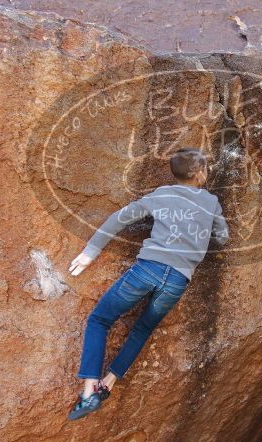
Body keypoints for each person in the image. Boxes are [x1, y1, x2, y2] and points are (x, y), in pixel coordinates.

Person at [67, 148, 229, 420]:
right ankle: (109, 382)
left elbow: (118, 219)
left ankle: (88, 392)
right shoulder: (211, 202)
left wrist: (89, 254)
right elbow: (223, 237)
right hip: (178, 279)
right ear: (199, 173)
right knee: (142, 329)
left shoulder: (161, 195)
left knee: (99, 320)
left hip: (148, 269)